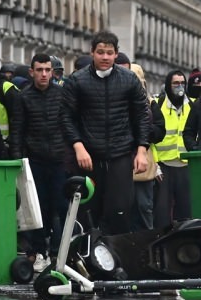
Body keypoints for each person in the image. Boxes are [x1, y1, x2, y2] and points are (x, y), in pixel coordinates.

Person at [61, 30, 151, 235]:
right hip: (88, 157)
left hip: (120, 156)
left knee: (120, 212)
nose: (105, 57)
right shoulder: (77, 81)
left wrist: (141, 150)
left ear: (116, 54)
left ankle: (116, 259)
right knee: (86, 214)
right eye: (100, 52)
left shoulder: (129, 80)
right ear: (92, 52)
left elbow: (141, 117)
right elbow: (66, 117)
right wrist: (78, 146)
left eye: (109, 53)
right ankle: (85, 259)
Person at [10, 53, 70, 271]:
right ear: (32, 72)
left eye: (47, 70)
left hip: (59, 160)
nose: (44, 74)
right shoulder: (23, 97)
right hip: (35, 160)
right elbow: (17, 130)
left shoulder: (62, 95)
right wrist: (18, 160)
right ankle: (38, 252)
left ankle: (57, 253)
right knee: (37, 210)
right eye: (40, 70)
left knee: (61, 208)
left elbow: (69, 126)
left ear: (52, 72)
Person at [129, 63, 165, 231]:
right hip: (119, 161)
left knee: (144, 206)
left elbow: (160, 131)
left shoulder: (150, 103)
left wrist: (143, 132)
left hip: (144, 166)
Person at [153, 70, 192, 228]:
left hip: (186, 165)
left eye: (182, 83)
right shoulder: (158, 104)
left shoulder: (192, 106)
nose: (179, 87)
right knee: (161, 212)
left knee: (185, 211)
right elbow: (151, 137)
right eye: (175, 83)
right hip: (163, 166)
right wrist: (154, 164)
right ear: (168, 85)